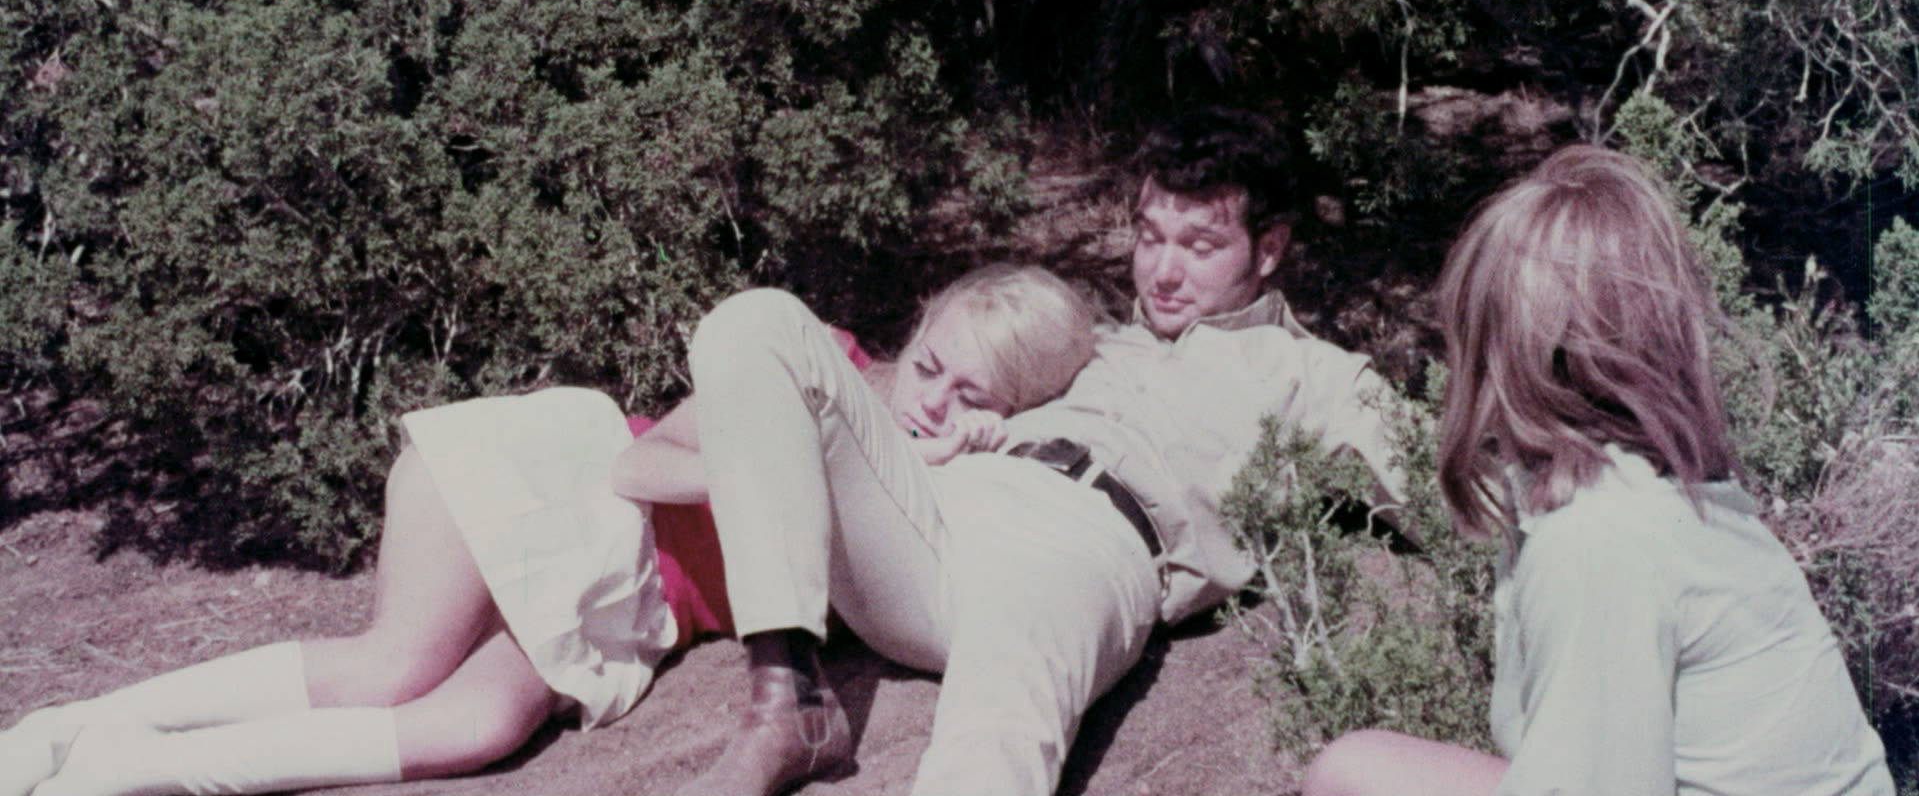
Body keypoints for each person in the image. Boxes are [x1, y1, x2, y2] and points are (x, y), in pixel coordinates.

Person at [0, 263, 1098, 796]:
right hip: (574, 493)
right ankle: (63, 727)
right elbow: (638, 466)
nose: (933, 402)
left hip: (631, 602)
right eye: (932, 365)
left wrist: (958, 463)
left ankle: (128, 771)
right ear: (916, 328)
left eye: (973, 398)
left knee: (475, 727)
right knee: (394, 665)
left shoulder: (944, 498)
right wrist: (787, 481)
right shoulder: (828, 366)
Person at [676, 106, 1408, 796]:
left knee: (987, 751)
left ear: (1269, 248)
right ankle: (788, 699)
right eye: (1150, 237)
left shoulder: (1314, 377)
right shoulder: (1094, 340)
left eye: (1199, 247)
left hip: (1082, 542)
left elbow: (1440, 486)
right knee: (757, 320)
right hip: (940, 512)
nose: (1163, 272)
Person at [1300, 145, 1896, 796]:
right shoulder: (1654, 494)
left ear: (1500, 357)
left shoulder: (1595, 541)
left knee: (1349, 777)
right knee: (1357, 768)